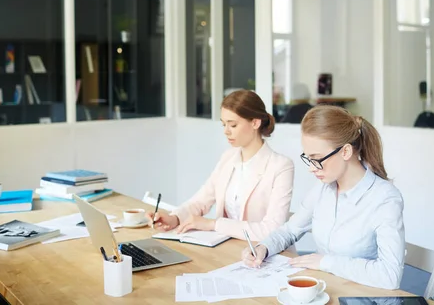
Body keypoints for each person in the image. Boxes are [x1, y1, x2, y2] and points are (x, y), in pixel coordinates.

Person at [241, 105, 405, 290]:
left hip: (361, 295)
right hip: (324, 289)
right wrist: (264, 248)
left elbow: (390, 276)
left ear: (345, 152)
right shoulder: (323, 188)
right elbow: (289, 230)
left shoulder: (384, 198)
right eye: (308, 158)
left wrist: (326, 262)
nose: (312, 167)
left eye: (317, 159)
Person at [146, 89, 295, 241]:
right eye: (223, 124)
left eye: (233, 125)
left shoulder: (281, 166)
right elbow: (200, 201)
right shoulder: (228, 158)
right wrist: (175, 218)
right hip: (227, 249)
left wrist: (213, 224)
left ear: (255, 122)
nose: (226, 131)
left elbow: (272, 229)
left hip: (265, 255)